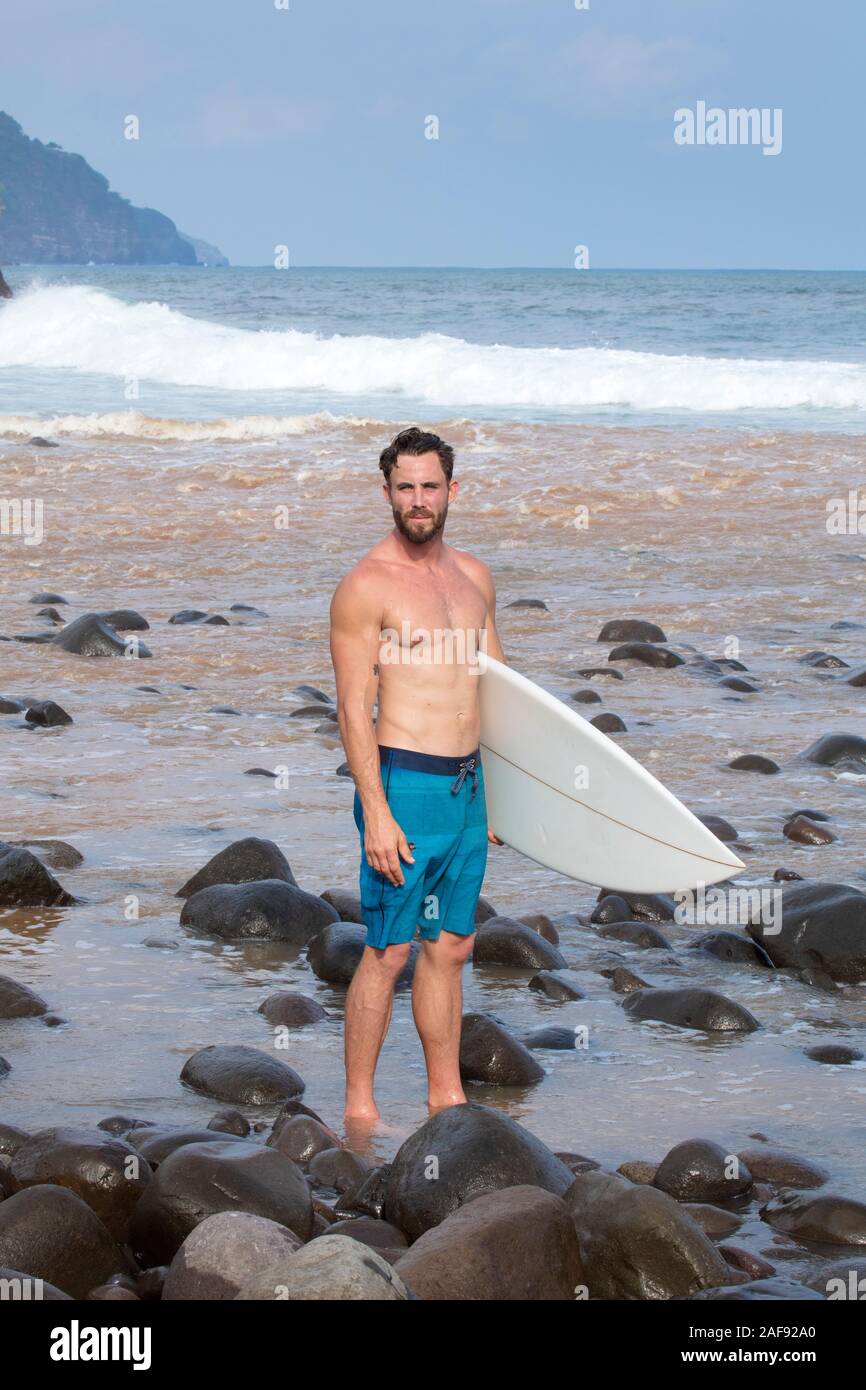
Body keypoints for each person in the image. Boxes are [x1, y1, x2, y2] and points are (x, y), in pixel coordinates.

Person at [329, 426, 505, 1126]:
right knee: (389, 950)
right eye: (405, 487)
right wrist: (375, 809)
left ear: (452, 490)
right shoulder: (366, 587)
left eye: (430, 486)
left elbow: (501, 692)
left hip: (468, 788)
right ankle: (359, 1111)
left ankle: (445, 1094)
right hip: (406, 785)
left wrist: (509, 801)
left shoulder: (475, 579)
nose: (419, 499)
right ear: (387, 494)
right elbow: (350, 707)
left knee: (452, 945)